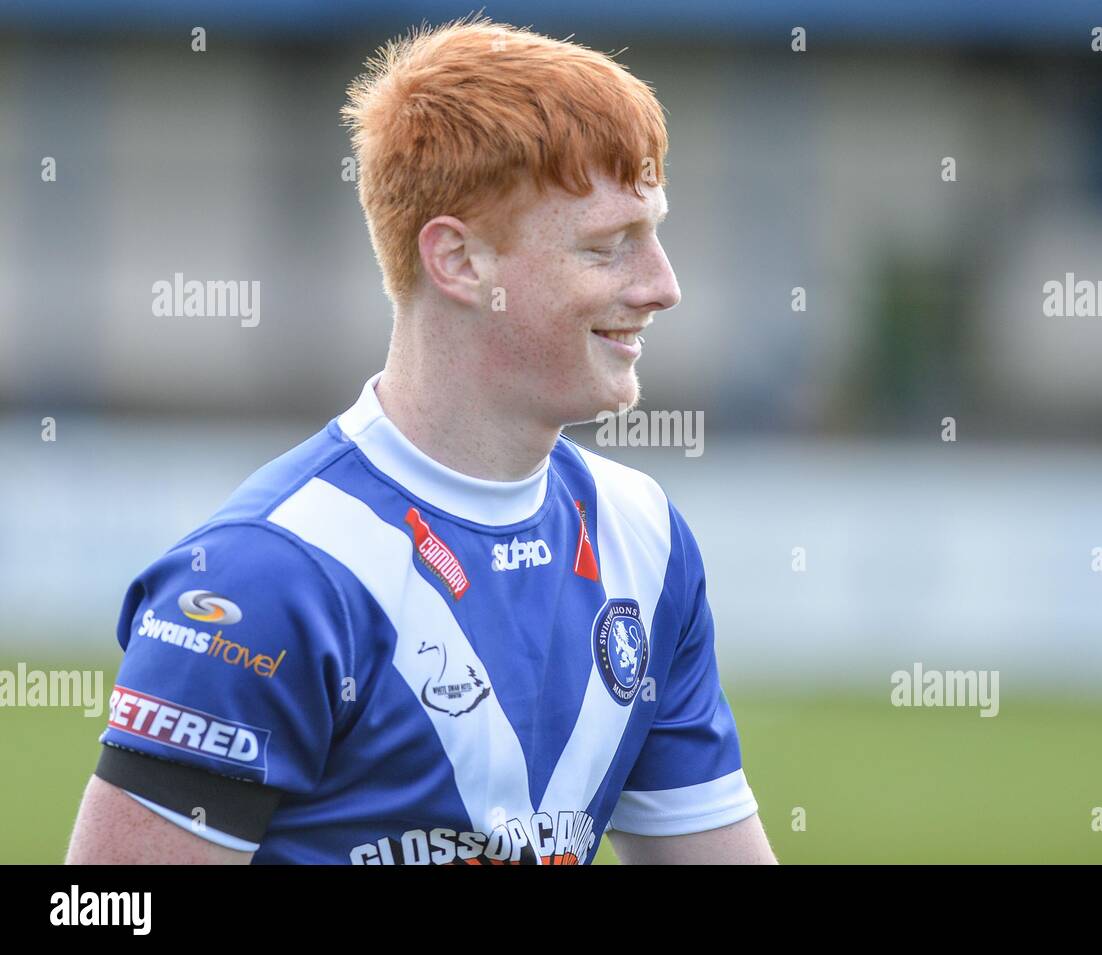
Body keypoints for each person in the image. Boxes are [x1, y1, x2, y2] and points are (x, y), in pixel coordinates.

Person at [66, 14, 775, 865]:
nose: (663, 285)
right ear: (459, 261)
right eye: (607, 246)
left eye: (654, 232)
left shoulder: (647, 541)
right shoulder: (267, 579)